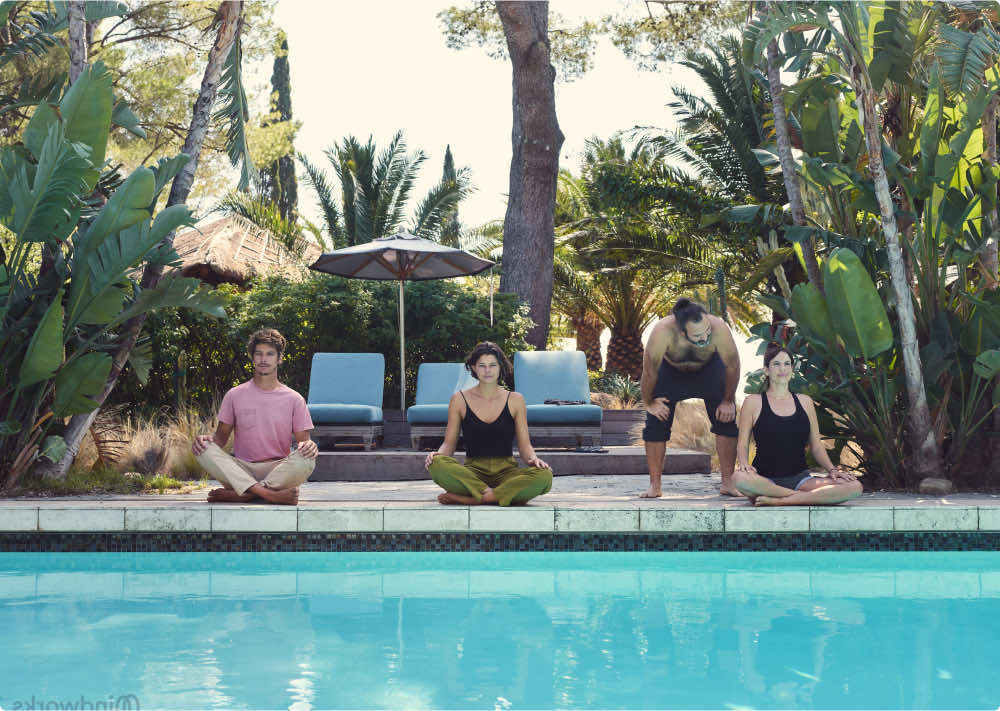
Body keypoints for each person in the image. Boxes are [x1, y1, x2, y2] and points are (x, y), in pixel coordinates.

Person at [191, 328, 317, 505]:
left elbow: (304, 443)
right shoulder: (234, 395)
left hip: (278, 470)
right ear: (252, 357)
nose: (264, 359)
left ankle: (243, 494)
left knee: (307, 460)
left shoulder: (294, 399)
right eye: (258, 354)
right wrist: (206, 440)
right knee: (203, 449)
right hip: (242, 469)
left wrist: (309, 446)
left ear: (279, 359)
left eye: (270, 354)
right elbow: (219, 439)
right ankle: (268, 494)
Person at [733, 343, 862, 506]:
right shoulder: (753, 402)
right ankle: (797, 497)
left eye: (787, 364)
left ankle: (780, 501)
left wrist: (832, 470)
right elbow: (742, 443)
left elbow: (816, 446)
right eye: (776, 364)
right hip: (764, 480)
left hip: (801, 480)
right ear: (766, 370)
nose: (783, 369)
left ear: (792, 370)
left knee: (854, 486)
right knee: (738, 479)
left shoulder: (805, 402)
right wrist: (744, 464)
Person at [426, 341, 553, 506]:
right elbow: (449, 445)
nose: (487, 371)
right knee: (436, 464)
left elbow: (525, 446)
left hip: (507, 472)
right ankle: (500, 496)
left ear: (500, 367)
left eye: (492, 365)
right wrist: (437, 456)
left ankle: (474, 498)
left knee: (544, 476)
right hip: (473, 473)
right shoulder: (459, 399)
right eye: (482, 365)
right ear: (473, 368)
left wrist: (533, 459)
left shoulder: (516, 400)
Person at [639, 298, 741, 498]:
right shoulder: (662, 331)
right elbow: (649, 371)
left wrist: (728, 401)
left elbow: (733, 365)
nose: (704, 338)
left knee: (726, 420)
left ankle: (728, 482)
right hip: (671, 373)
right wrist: (649, 403)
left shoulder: (719, 327)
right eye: (697, 335)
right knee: (655, 424)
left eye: (707, 332)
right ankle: (655, 486)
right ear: (681, 331)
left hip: (709, 370)